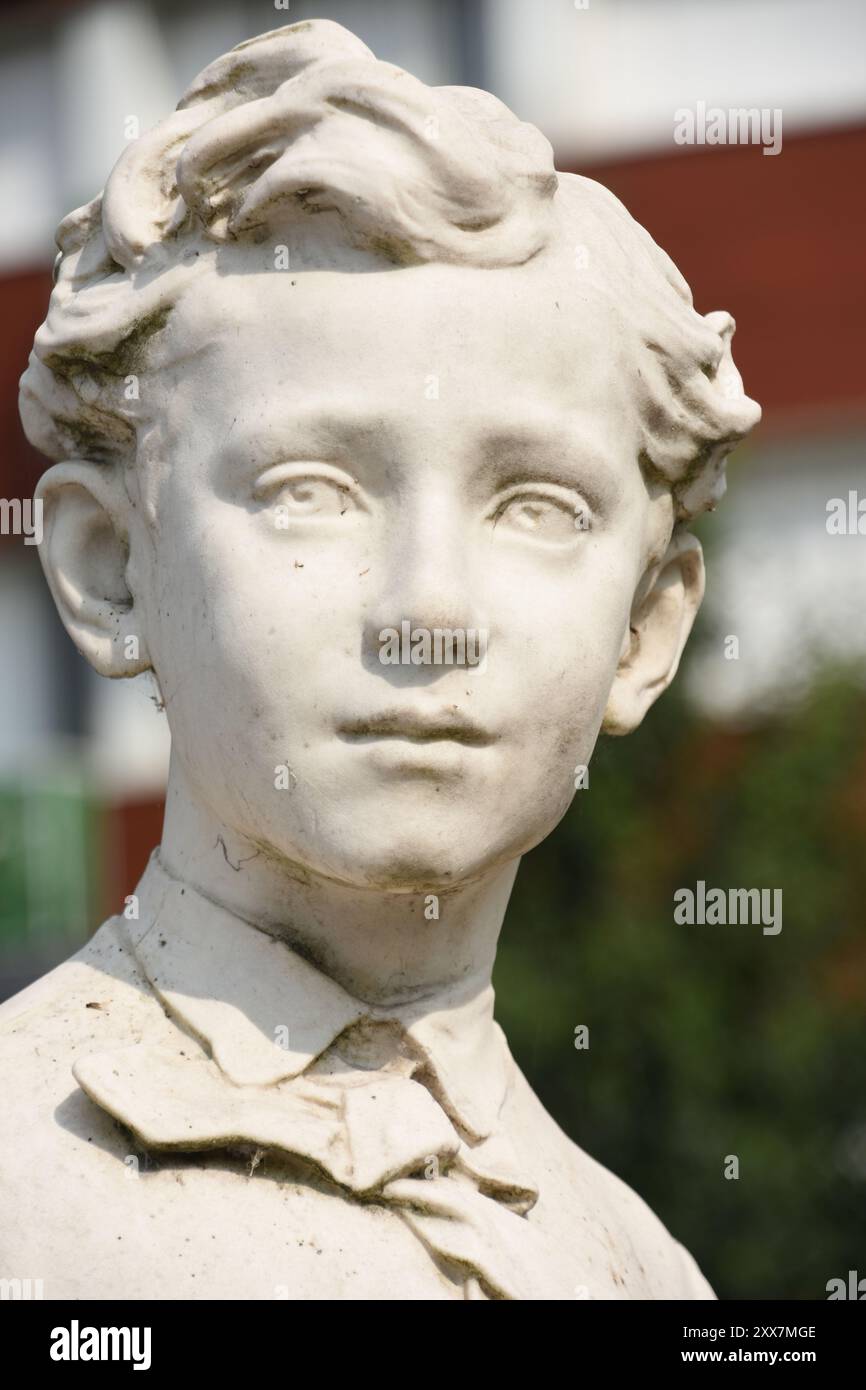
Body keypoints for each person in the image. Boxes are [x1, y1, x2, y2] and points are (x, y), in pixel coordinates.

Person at [1, 19, 759, 1300]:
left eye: (534, 507)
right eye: (310, 489)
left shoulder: (644, 1268)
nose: (425, 613)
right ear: (109, 564)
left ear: (645, 629)